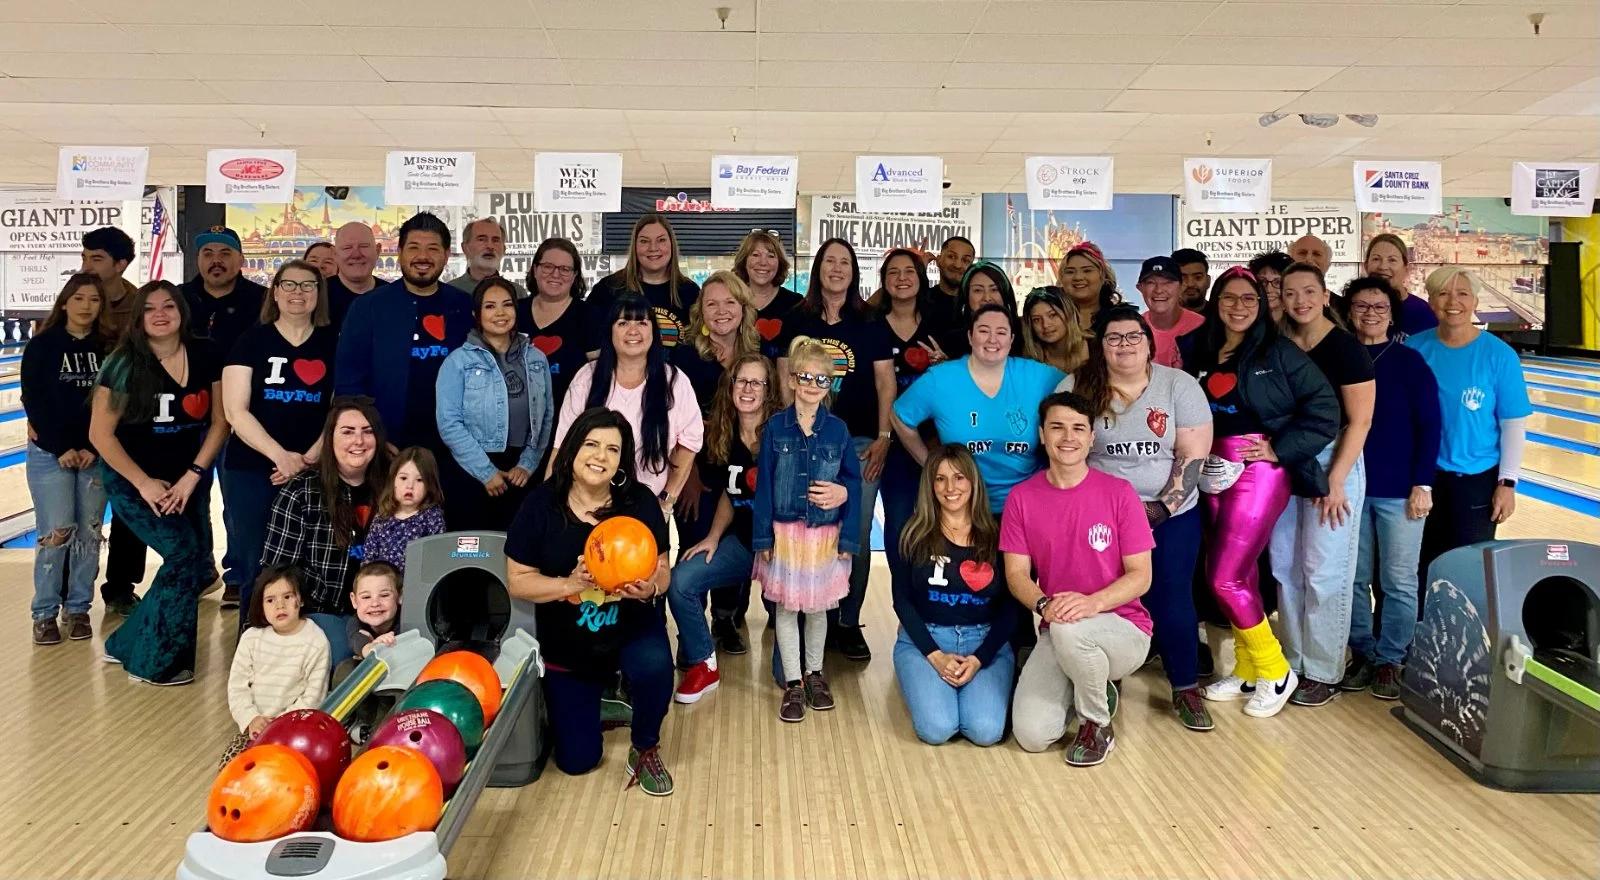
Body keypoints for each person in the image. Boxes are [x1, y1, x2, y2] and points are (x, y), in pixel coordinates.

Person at [1187, 268, 1339, 717]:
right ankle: (1250, 667)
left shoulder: (1279, 352)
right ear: (1217, 303)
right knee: (1241, 573)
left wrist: (1278, 449)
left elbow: (1324, 409)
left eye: (1248, 299)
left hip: (1258, 470)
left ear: (1260, 305)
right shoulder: (1200, 349)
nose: (1239, 307)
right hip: (1210, 469)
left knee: (1223, 577)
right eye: (1230, 298)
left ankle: (1275, 670)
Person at [505, 408, 675, 796]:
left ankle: (645, 746)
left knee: (653, 666)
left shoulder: (638, 501)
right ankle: (596, 702)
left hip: (630, 630)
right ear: (571, 449)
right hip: (569, 645)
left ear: (621, 460)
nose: (600, 456)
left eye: (613, 449)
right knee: (576, 762)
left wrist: (650, 588)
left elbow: (663, 568)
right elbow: (517, 581)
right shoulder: (540, 506)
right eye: (592, 444)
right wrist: (569, 583)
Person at [1060, 305, 1213, 731]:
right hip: (1101, 516)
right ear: (1101, 346)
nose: (1124, 345)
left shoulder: (1178, 385)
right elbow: (1065, 448)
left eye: (1133, 337)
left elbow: (1193, 453)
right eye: (1114, 338)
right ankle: (1105, 682)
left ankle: (1185, 689)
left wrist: (1161, 507)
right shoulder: (1078, 385)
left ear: (1149, 343)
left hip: (1172, 511)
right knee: (1107, 597)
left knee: (1171, 597)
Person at [1004, 391, 1155, 766]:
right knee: (1032, 737)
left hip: (1124, 630)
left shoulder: (1120, 494)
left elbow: (1141, 576)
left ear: (1091, 437)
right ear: (1041, 434)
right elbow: (1016, 574)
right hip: (1057, 627)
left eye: (1078, 429)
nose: (1067, 437)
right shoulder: (1022, 498)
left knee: (1074, 630)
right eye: (1057, 427)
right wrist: (1044, 605)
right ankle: (1091, 685)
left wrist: (1092, 603)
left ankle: (1097, 723)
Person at [90, 281, 229, 686]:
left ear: (182, 312)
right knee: (184, 554)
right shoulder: (123, 363)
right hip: (132, 479)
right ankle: (156, 663)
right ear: (139, 318)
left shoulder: (205, 353)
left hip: (187, 478)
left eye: (169, 306)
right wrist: (144, 483)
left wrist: (194, 476)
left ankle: (124, 642)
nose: (161, 314)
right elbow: (101, 436)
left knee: (192, 560)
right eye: (150, 308)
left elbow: (219, 422)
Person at [775, 239, 895, 661]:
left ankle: (846, 621)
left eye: (845, 262)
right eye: (830, 261)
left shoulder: (870, 321)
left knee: (854, 534)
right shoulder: (797, 319)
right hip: (805, 440)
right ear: (817, 269)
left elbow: (885, 383)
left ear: (854, 272)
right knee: (802, 526)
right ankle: (802, 611)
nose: (837, 269)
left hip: (860, 443)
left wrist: (884, 436)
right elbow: (781, 380)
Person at [1274, 262, 1375, 708]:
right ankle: (1294, 662)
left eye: (1308, 292)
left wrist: (1335, 481)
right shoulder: (1277, 345)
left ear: (1324, 296)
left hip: (1333, 460)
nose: (1300, 301)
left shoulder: (1346, 350)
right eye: (1290, 292)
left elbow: (1361, 420)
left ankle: (1324, 668)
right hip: (1284, 461)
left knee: (1323, 570)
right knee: (1285, 567)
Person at [1340, 277, 1441, 699]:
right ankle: (1363, 653)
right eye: (1362, 306)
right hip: (1348, 487)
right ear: (1349, 312)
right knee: (1355, 577)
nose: (1370, 314)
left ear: (1391, 313)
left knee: (1399, 580)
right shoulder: (1338, 358)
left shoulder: (1410, 361)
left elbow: (1431, 424)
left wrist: (1423, 484)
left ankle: (1391, 659)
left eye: (1379, 307)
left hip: (1399, 488)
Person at [221, 259, 336, 624]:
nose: (297, 293)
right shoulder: (250, 340)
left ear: (319, 294)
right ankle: (252, 643)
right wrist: (280, 456)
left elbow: (338, 409)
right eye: (289, 284)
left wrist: (307, 458)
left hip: (313, 468)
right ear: (275, 291)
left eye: (307, 285)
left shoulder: (333, 343)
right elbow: (235, 412)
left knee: (307, 560)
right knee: (256, 561)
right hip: (253, 469)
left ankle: (304, 648)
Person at [753, 337, 863, 722]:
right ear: (793, 380)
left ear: (830, 385)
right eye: (806, 377)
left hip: (824, 537)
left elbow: (854, 482)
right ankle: (793, 682)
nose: (814, 385)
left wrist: (848, 530)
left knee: (817, 610)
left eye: (822, 379)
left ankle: (816, 673)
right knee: (786, 608)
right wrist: (763, 538)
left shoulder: (838, 430)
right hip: (785, 534)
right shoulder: (775, 429)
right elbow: (764, 486)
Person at [1405, 267, 1530, 601]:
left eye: (1462, 294)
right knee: (1416, 567)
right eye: (1444, 293)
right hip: (1419, 477)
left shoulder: (1498, 354)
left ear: (1475, 300)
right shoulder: (1415, 350)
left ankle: (1463, 645)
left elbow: (1513, 424)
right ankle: (1414, 639)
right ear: (1430, 301)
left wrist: (1507, 484)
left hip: (1475, 479)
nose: (1453, 302)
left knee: (1466, 568)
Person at [667, 355, 780, 701]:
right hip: (745, 545)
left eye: (756, 382)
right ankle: (704, 663)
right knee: (681, 581)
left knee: (785, 671)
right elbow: (730, 496)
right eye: (740, 381)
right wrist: (713, 538)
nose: (747, 389)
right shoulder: (721, 433)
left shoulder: (783, 432)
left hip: (784, 550)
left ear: (769, 390)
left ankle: (803, 670)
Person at [892, 444, 1015, 746]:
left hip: (984, 642)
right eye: (940, 479)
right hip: (926, 640)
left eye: (959, 478)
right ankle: (919, 680)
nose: (950, 488)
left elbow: (1012, 607)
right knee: (937, 729)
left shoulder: (999, 534)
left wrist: (980, 658)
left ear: (973, 482)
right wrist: (933, 655)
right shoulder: (913, 533)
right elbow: (902, 600)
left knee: (986, 732)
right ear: (930, 485)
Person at [335, 212, 473, 470]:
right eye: (413, 248)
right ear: (399, 252)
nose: (423, 256)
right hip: (387, 448)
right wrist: (372, 437)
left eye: (432, 249)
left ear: (446, 254)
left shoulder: (464, 307)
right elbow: (349, 384)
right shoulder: (368, 308)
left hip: (457, 451)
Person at [260, 397, 392, 661]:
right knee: (344, 655)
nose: (358, 441)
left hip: (385, 611)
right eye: (347, 432)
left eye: (367, 432)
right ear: (329, 439)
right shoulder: (301, 491)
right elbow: (277, 570)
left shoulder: (396, 486)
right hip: (324, 610)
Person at [669, 270, 761, 642]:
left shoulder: (759, 354)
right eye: (712, 304)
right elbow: (672, 422)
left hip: (745, 473)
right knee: (696, 545)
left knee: (735, 543)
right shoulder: (684, 358)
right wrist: (687, 477)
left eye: (729, 302)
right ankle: (690, 633)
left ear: (743, 307)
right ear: (700, 313)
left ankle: (727, 619)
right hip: (699, 473)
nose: (721, 311)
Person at [554, 292, 704, 515]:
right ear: (610, 331)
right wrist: (551, 502)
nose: (633, 331)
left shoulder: (674, 381)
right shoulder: (587, 378)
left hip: (649, 506)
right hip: (586, 507)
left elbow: (690, 442)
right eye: (623, 322)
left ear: (653, 331)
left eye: (642, 322)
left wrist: (666, 500)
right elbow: (562, 445)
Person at [23, 274, 111, 644]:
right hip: (50, 454)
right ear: (64, 303)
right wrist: (62, 448)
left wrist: (94, 446)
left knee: (89, 533)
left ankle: (78, 609)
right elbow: (34, 400)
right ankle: (44, 612)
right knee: (55, 533)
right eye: (79, 298)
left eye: (93, 299)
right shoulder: (43, 345)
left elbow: (115, 402)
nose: (86, 306)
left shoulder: (109, 347)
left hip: (95, 453)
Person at [436, 277, 554, 531]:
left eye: (507, 304)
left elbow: (546, 417)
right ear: (476, 314)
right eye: (490, 306)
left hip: (522, 474)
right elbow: (449, 423)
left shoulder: (536, 358)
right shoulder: (457, 362)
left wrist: (528, 464)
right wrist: (485, 471)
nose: (500, 312)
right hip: (471, 472)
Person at [80, 227, 145, 617]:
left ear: (120, 265)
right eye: (85, 257)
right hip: (80, 425)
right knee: (80, 518)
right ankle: (73, 592)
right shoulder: (76, 298)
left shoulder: (139, 306)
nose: (86, 265)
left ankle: (121, 587)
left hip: (130, 425)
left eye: (96, 258)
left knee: (126, 512)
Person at [875, 248, 950, 577]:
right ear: (884, 281)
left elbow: (963, 381)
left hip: (937, 442)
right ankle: (904, 606)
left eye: (909, 271)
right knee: (898, 529)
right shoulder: (871, 326)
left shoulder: (940, 323)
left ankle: (933, 602)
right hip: (892, 445)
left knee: (942, 528)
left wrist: (945, 366)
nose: (902, 278)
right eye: (893, 272)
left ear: (921, 279)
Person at [223, 565, 330, 762]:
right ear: (261, 607)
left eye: (288, 597)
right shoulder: (251, 639)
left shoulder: (316, 641)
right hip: (255, 729)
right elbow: (237, 688)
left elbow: (314, 696)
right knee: (231, 770)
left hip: (297, 733)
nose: (280, 605)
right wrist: (251, 720)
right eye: (270, 600)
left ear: (301, 600)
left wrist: (279, 726)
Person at [586, 213, 700, 351]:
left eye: (661, 240)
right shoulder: (609, 289)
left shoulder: (690, 292)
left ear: (672, 245)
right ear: (634, 246)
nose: (653, 248)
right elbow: (591, 347)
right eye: (644, 241)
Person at [518, 237, 591, 412]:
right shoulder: (513, 311)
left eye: (565, 269)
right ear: (535, 269)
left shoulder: (590, 316)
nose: (556, 274)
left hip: (571, 421)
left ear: (575, 276)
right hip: (516, 422)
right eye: (548, 266)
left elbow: (599, 376)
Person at [181, 226, 266, 357]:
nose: (216, 260)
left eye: (225, 253)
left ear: (241, 261)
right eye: (208, 254)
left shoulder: (263, 299)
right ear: (198, 260)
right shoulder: (178, 297)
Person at [364, 448, 448, 574]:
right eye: (403, 478)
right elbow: (368, 559)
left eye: (419, 480)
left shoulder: (432, 517)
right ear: (393, 481)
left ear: (429, 485)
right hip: (384, 588)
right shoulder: (382, 517)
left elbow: (436, 561)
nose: (410, 486)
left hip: (417, 586)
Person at [732, 230, 803, 362]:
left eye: (771, 256)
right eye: (755, 255)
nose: (763, 262)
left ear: (780, 263)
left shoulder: (796, 304)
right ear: (744, 261)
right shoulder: (732, 301)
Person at [938, 260, 1023, 358]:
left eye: (994, 290)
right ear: (966, 295)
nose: (987, 298)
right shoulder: (950, 341)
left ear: (1005, 294)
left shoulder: (1024, 334)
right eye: (978, 290)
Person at [1363, 233, 1437, 338]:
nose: (1383, 267)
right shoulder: (1353, 310)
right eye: (1376, 259)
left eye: (1392, 260)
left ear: (1406, 268)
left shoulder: (1422, 313)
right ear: (1365, 266)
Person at [1138, 256, 1204, 370]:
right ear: (1140, 288)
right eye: (1151, 282)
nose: (1159, 290)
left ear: (1181, 287)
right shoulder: (1133, 329)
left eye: (1168, 282)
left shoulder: (1203, 326)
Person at [448, 217, 526, 298]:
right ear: (465, 248)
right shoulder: (449, 292)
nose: (490, 246)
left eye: (495, 240)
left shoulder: (518, 293)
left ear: (504, 250)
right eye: (481, 239)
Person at [326, 222, 381, 331]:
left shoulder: (395, 297)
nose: (356, 255)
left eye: (364, 246)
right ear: (334, 254)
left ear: (377, 250)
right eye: (347, 248)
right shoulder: (315, 296)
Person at [1020, 286, 1087, 374]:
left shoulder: (1097, 349)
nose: (1045, 325)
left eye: (1052, 315)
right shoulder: (1027, 362)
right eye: (1036, 320)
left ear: (1068, 314)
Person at [1056, 243, 1120, 331]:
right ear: (1062, 279)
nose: (1078, 277)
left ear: (1103, 276)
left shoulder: (1123, 319)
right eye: (1070, 272)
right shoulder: (1049, 320)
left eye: (1087, 271)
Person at [932, 236, 977, 322]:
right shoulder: (921, 300)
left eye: (965, 260)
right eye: (951, 256)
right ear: (938, 260)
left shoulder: (977, 304)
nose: (957, 265)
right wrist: (918, 268)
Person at [1247, 251, 1292, 322]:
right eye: (1262, 282)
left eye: (1277, 282)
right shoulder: (1245, 323)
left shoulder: (1300, 325)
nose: (1268, 289)